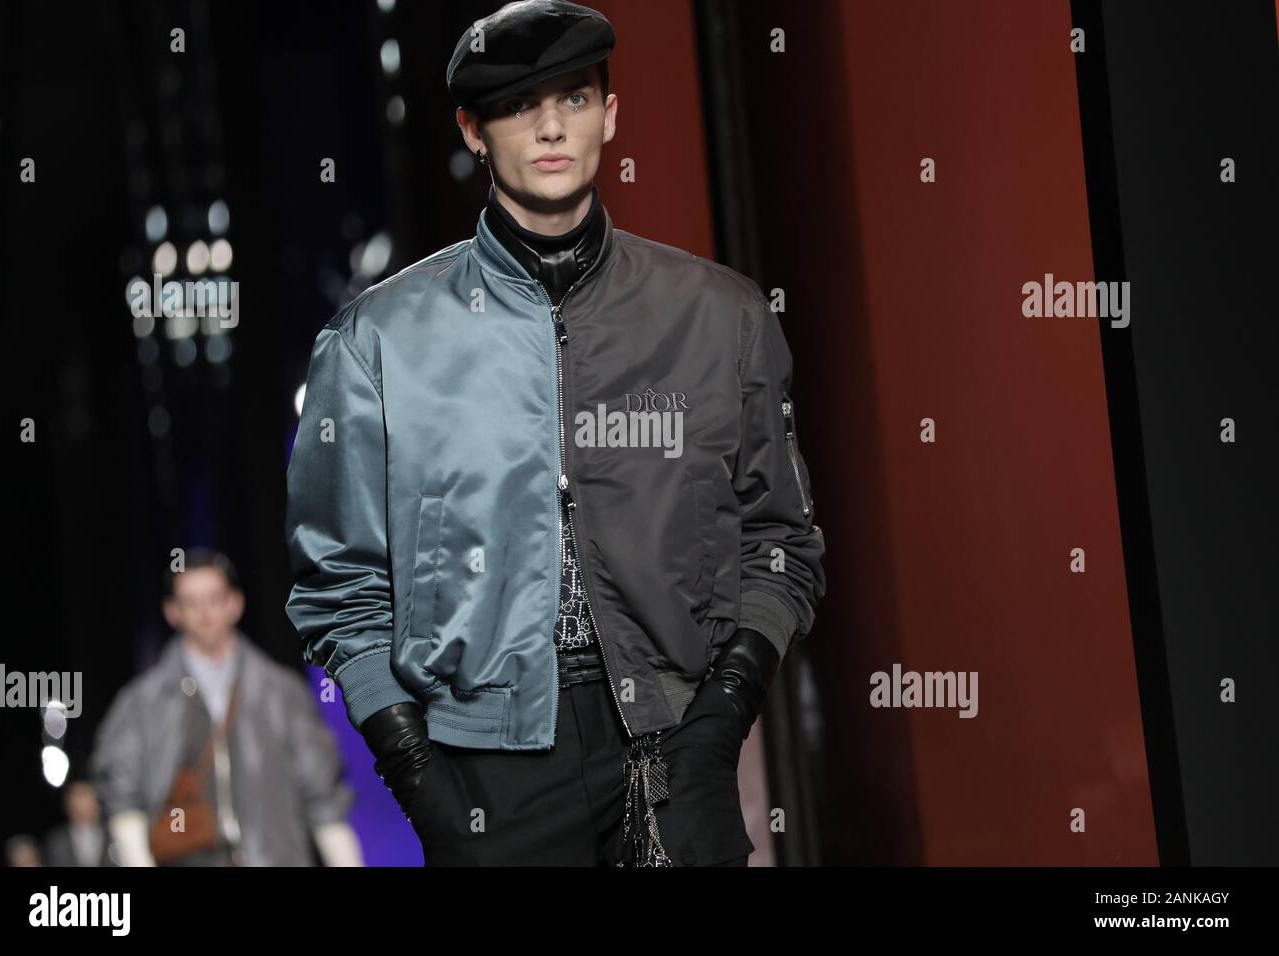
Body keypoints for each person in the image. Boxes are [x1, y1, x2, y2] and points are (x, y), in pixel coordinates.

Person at [285, 0, 825, 866]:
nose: (548, 126)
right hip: (484, 776)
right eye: (516, 104)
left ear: (612, 114)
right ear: (472, 129)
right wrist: (419, 774)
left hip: (680, 745)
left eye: (573, 98)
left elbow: (781, 542)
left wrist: (724, 713)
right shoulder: (377, 343)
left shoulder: (720, 318)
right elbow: (339, 586)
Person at [90, 548, 362, 866]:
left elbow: (323, 796)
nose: (205, 612)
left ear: (235, 603)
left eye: (214, 598)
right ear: (171, 611)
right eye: (191, 602)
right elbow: (122, 795)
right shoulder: (142, 702)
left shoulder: (281, 692)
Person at [42, 779, 115, 867]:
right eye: (81, 795)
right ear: (68, 803)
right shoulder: (56, 841)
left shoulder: (114, 833)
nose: (90, 801)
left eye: (92, 794)